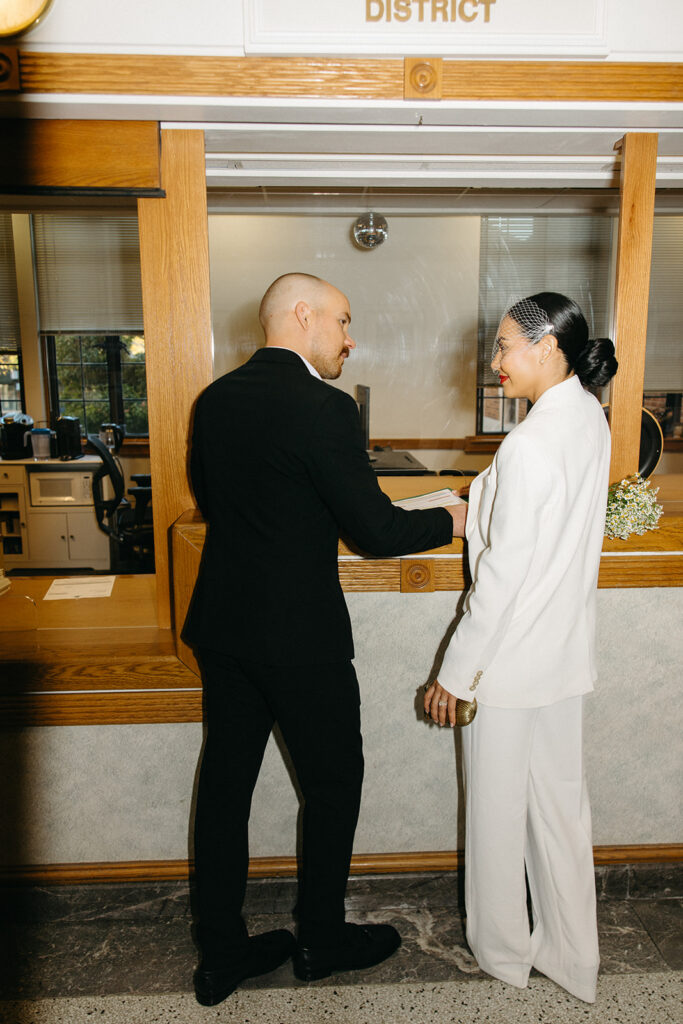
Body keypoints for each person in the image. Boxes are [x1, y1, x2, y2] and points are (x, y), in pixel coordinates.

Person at [185, 272, 461, 1006]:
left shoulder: (213, 400)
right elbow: (375, 532)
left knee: (224, 787)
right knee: (334, 785)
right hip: (299, 636)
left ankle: (219, 956)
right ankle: (319, 938)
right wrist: (452, 520)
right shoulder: (324, 407)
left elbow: (218, 501)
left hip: (222, 626)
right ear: (301, 316)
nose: (350, 336)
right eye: (342, 320)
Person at [425, 292, 618, 1005]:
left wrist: (456, 675)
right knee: (562, 813)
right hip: (561, 657)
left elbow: (502, 578)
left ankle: (504, 951)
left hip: (507, 664)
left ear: (547, 348)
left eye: (505, 345)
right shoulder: (586, 423)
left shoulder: (530, 441)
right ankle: (575, 958)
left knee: (498, 816)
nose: (495, 360)